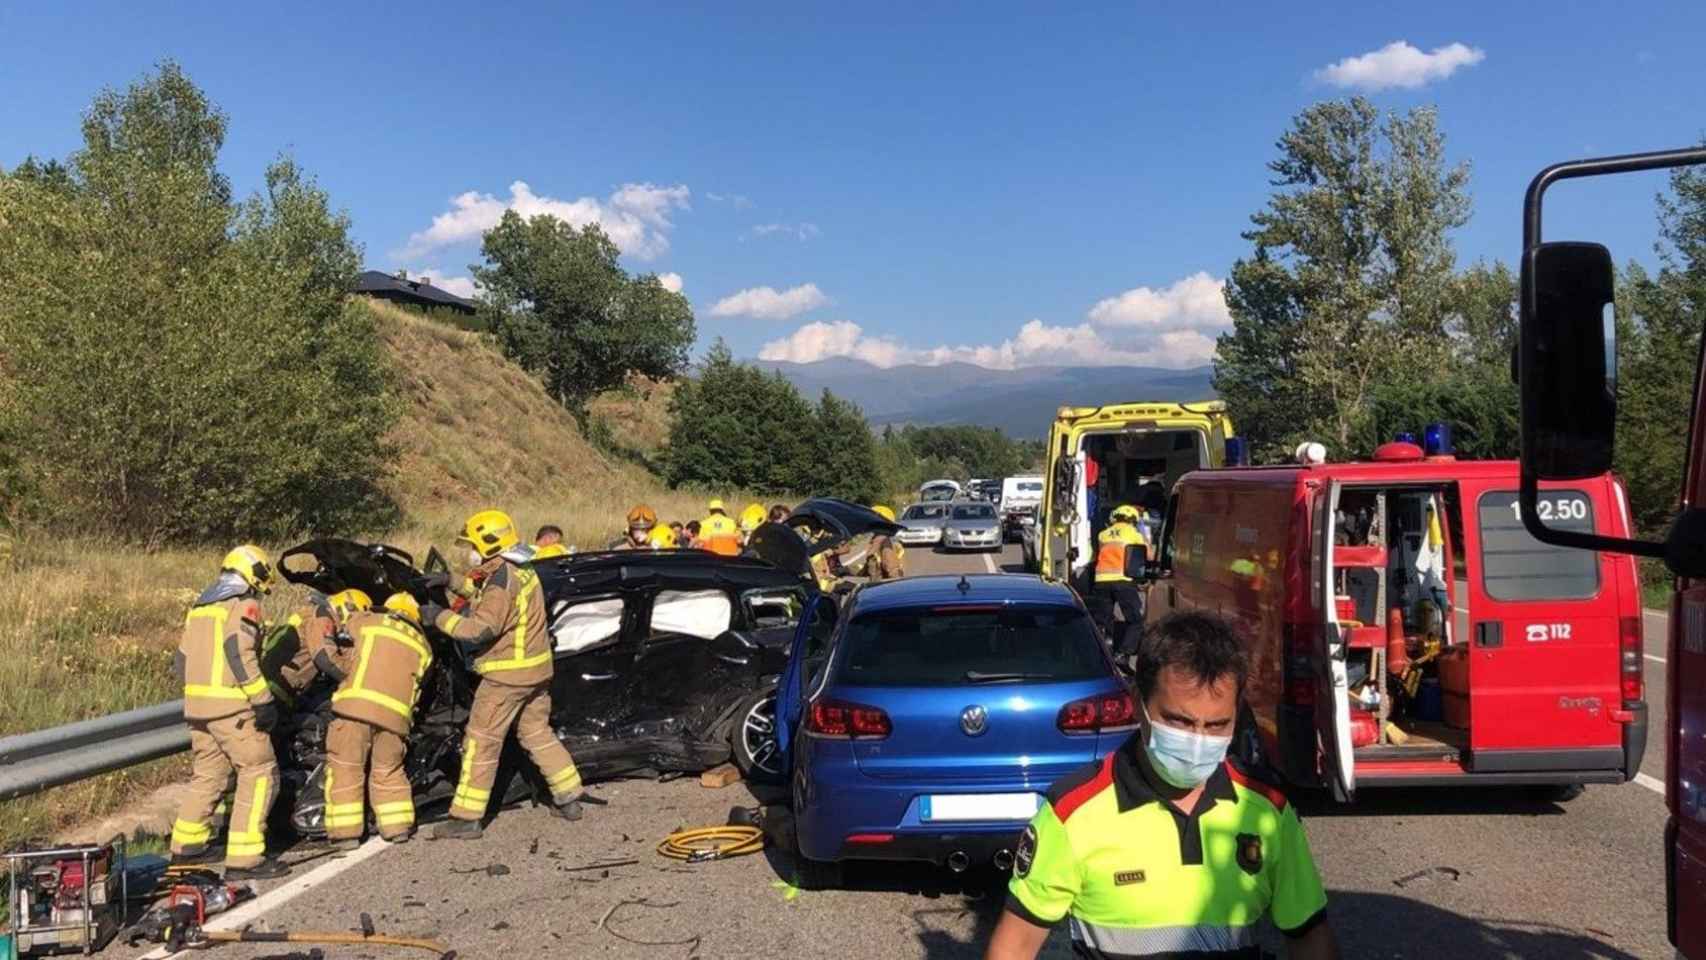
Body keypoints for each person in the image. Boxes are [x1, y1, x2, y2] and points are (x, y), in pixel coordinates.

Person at [988, 612, 1339, 960]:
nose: (1198, 740)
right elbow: (1013, 947)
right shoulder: (1073, 814)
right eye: (1179, 721)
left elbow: (1309, 937)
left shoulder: (1267, 811)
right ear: (1138, 705)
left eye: (1217, 725)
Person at [421, 510, 584, 839]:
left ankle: (465, 819)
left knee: (481, 742)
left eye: (473, 545)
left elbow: (482, 628)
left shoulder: (500, 581)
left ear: (488, 544)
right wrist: (451, 582)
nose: (471, 552)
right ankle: (570, 798)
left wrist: (437, 617)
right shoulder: (518, 569)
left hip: (506, 677)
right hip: (536, 672)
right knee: (537, 734)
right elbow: (489, 596)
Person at [169, 545, 289, 880]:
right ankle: (245, 858)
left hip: (199, 710)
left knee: (209, 775)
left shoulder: (200, 608)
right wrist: (262, 700)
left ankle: (185, 848)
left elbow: (180, 662)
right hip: (233, 709)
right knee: (260, 771)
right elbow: (239, 651)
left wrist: (202, 696)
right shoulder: (243, 605)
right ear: (251, 572)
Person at [323, 592, 433, 848]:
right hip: (396, 721)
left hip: (355, 709)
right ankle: (398, 828)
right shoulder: (424, 647)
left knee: (346, 768)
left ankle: (346, 835)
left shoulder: (366, 621)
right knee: (389, 771)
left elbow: (340, 645)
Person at [1092, 504, 1150, 657]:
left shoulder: (1103, 534)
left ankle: (1103, 652)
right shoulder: (1133, 533)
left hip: (1101, 581)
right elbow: (1147, 554)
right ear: (1132, 520)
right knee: (1136, 620)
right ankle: (1123, 654)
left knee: (1103, 620)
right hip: (1122, 580)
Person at [864, 505, 905, 581]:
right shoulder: (877, 540)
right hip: (877, 586)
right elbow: (871, 567)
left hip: (882, 588)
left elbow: (892, 568)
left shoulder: (884, 542)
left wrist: (899, 586)